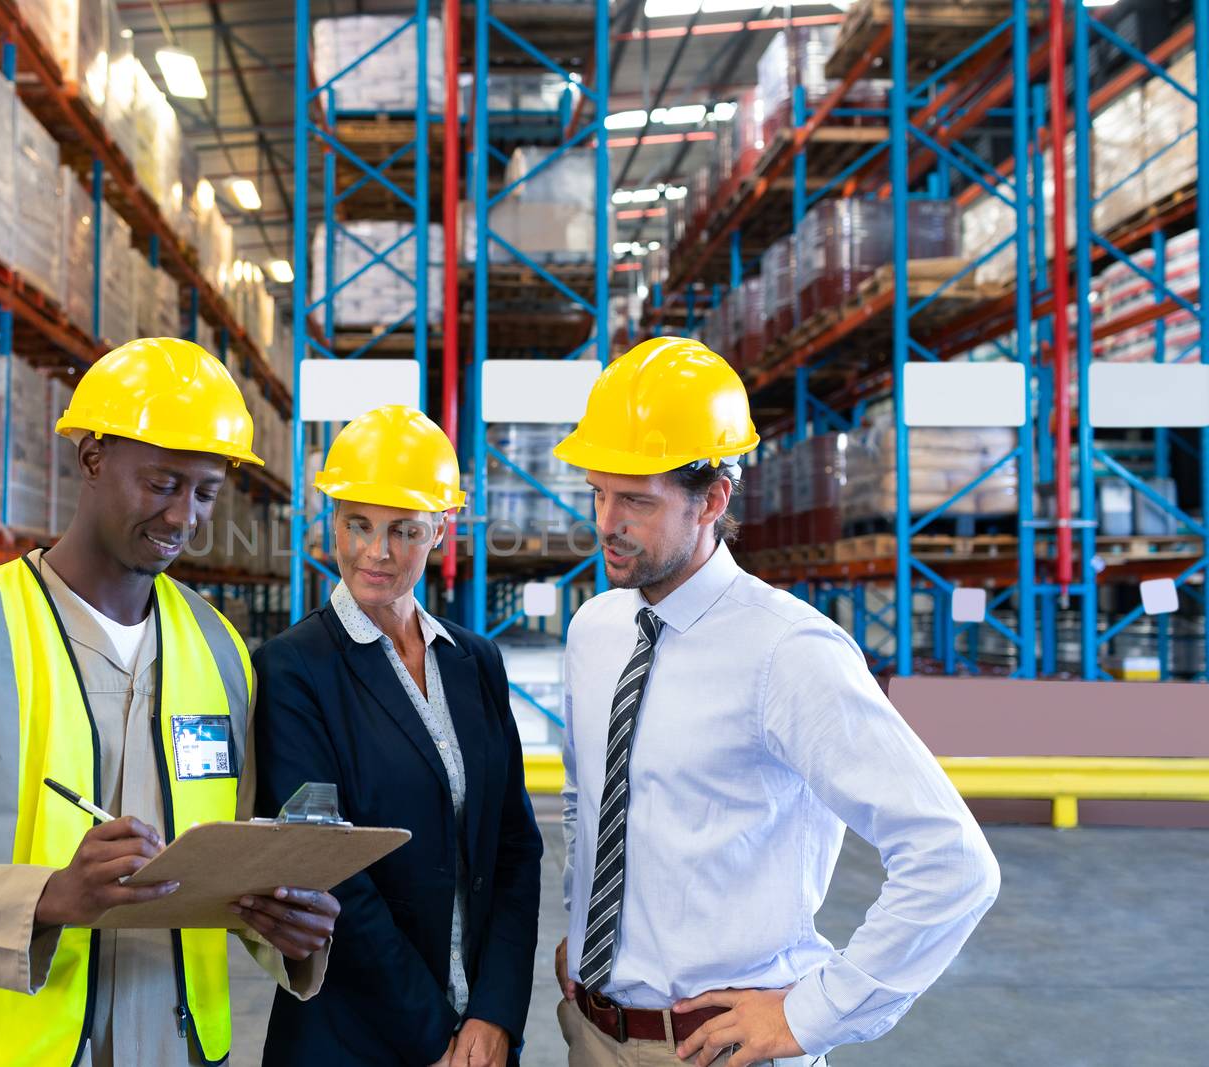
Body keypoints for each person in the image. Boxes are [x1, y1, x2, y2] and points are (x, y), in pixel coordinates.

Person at [0, 338, 339, 1067]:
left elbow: (232, 859)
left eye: (204, 492)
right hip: (15, 1048)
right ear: (93, 457)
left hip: (182, 1044)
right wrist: (47, 897)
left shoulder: (219, 648)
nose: (182, 517)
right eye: (162, 482)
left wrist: (286, 920)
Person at [550, 338, 1001, 1067]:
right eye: (598, 492)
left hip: (723, 1049)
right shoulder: (594, 630)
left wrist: (814, 1012)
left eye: (636, 498)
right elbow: (586, 798)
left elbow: (951, 859)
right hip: (594, 1033)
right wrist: (590, 922)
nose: (607, 521)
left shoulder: (787, 653)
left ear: (714, 499)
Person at [251, 405, 544, 1067]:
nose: (376, 552)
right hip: (353, 1037)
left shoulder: (475, 665)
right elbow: (329, 872)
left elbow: (515, 848)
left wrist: (495, 1016)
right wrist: (437, 1038)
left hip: (480, 1039)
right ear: (333, 524)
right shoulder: (293, 670)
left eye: (404, 530)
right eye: (358, 524)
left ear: (440, 529)